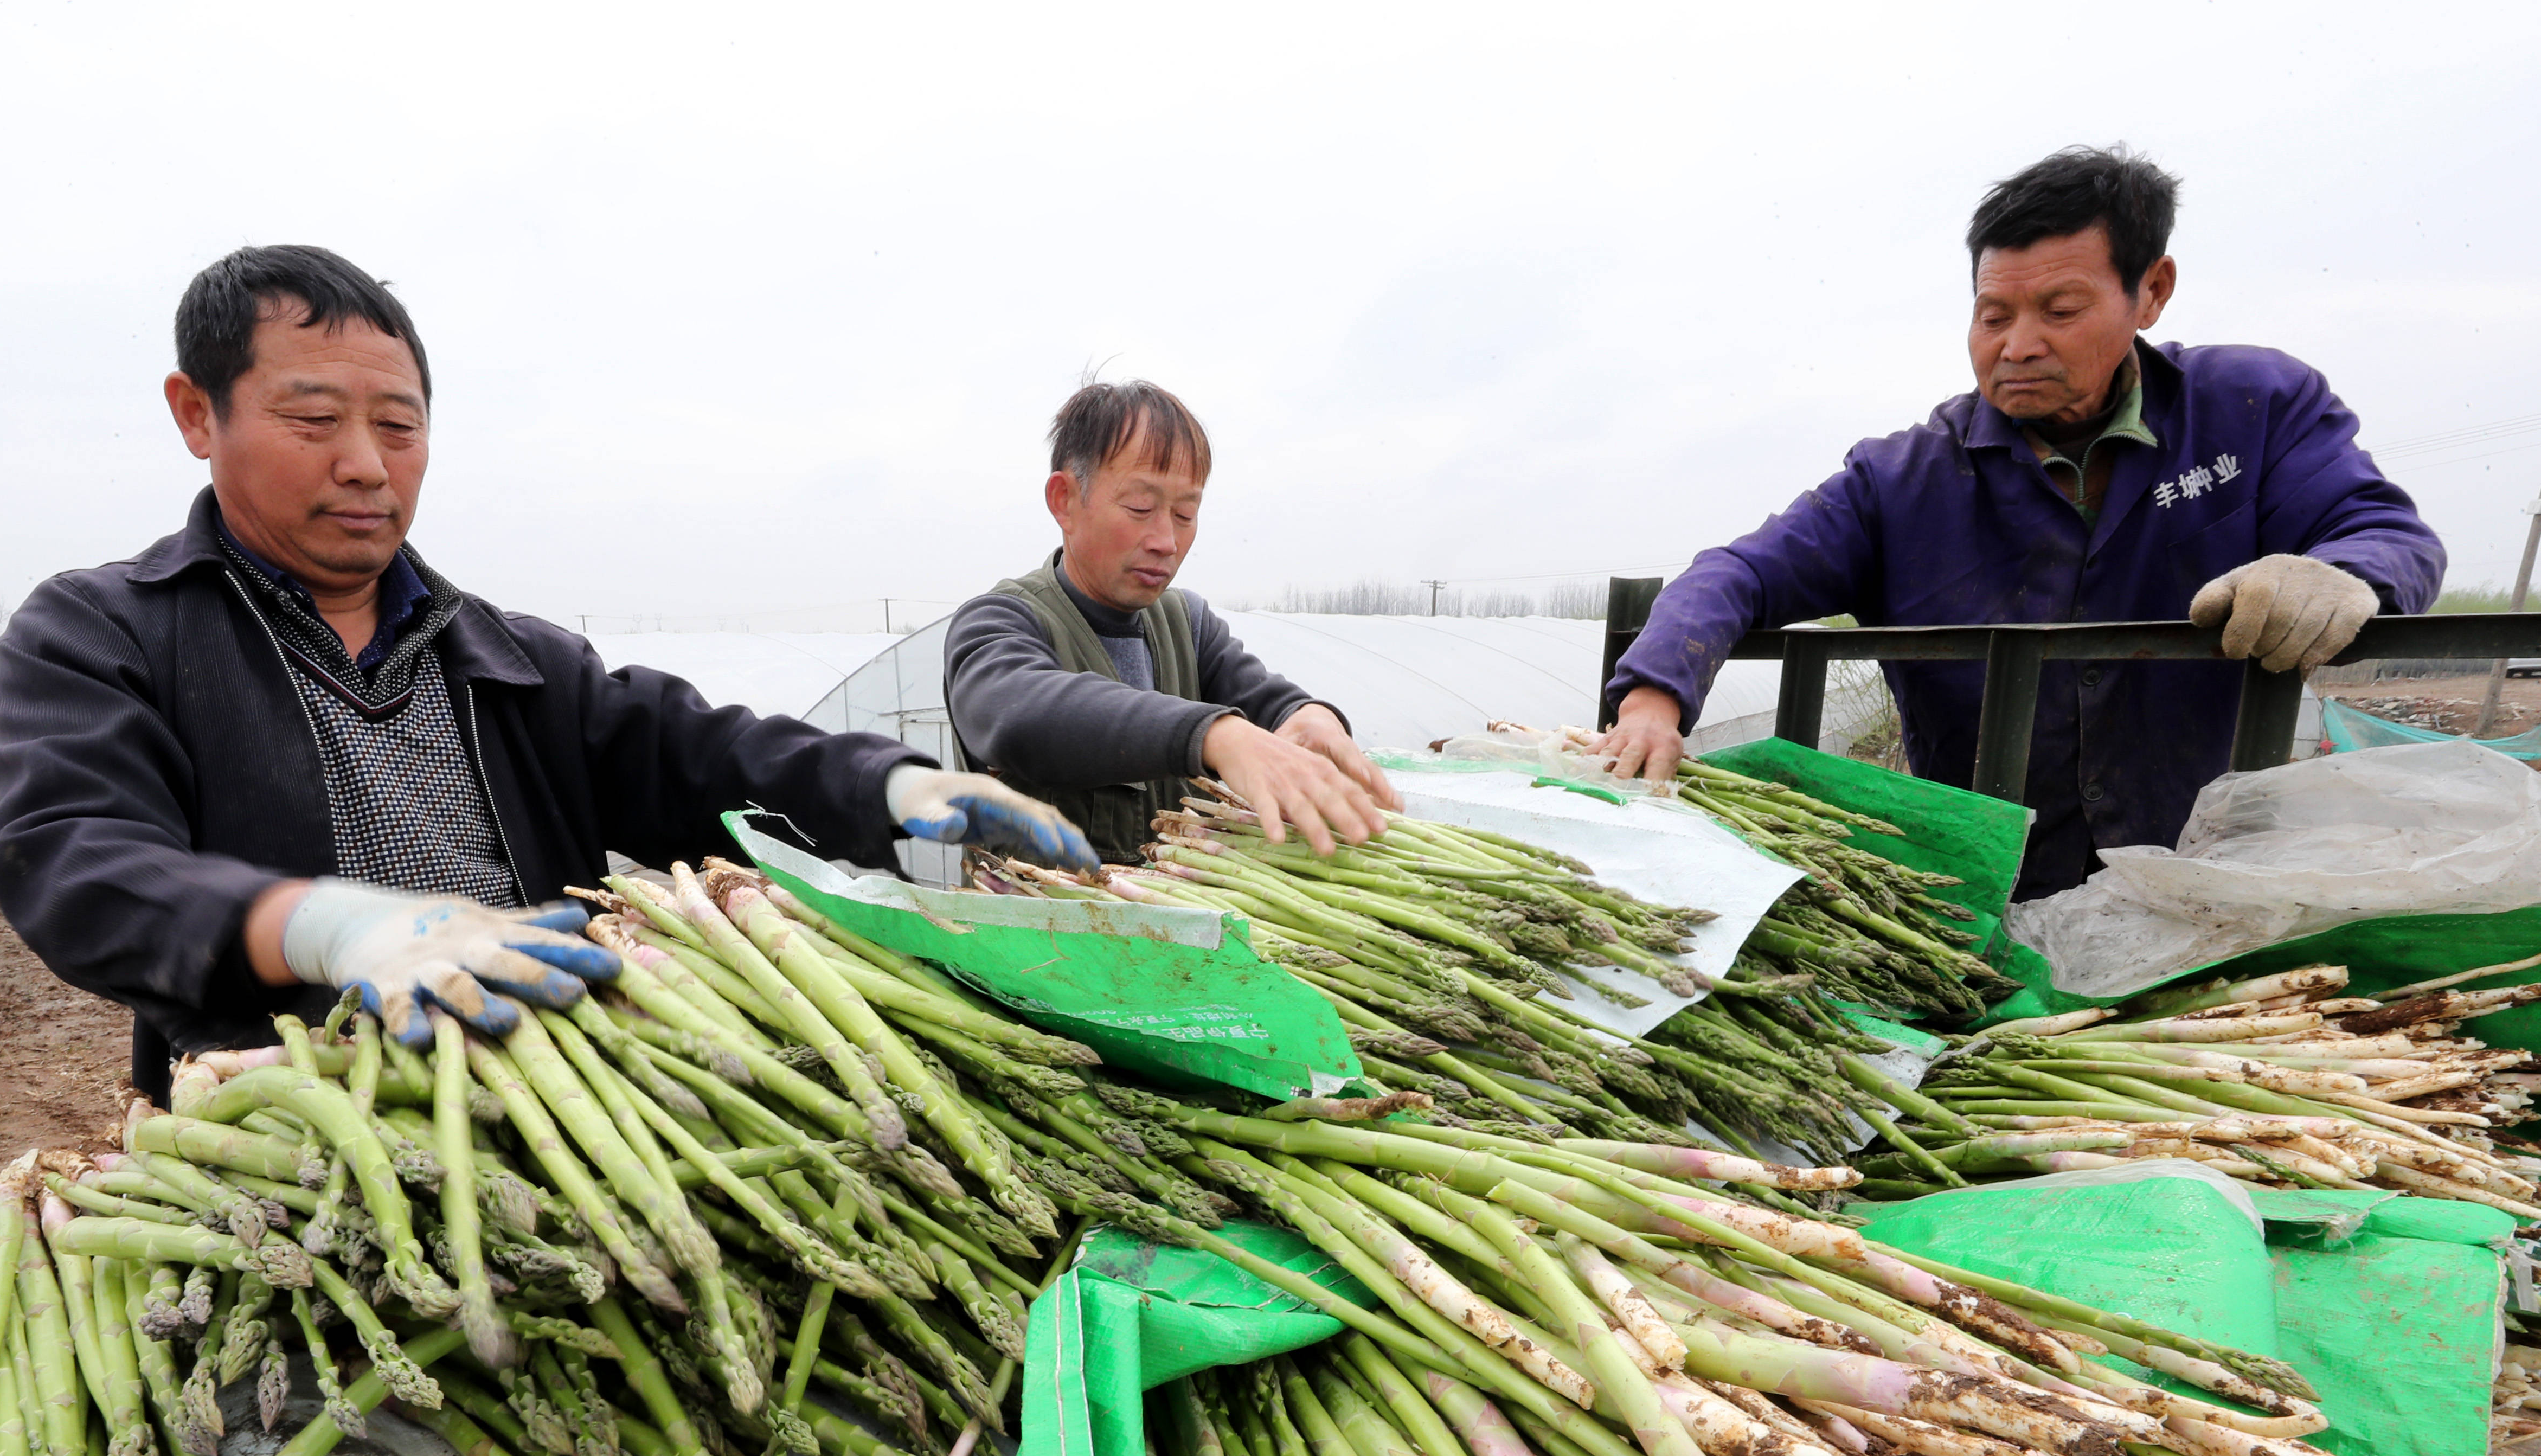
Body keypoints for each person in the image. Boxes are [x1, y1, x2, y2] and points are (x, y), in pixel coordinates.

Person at [0, 246, 1089, 1099]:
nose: (366, 464)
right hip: (289, 1142)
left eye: (399, 426)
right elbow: (69, 855)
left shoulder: (510, 660)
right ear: (195, 415)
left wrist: (898, 790)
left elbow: (700, 754)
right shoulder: (107, 633)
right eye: (314, 418)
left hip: (567, 1098)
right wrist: (328, 927)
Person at [1595, 145, 2444, 901]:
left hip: (2203, 871)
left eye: (2061, 310)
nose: (2018, 345)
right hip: (1984, 888)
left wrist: (2343, 575)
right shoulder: (1902, 479)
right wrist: (1654, 696)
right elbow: (1738, 573)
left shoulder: (2252, 410)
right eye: (1994, 315)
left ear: (2151, 290)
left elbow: (2384, 533)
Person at [942, 380, 1400, 865]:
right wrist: (1215, 736)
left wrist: (1308, 716)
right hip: (1036, 937)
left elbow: (1269, 703)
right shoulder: (998, 623)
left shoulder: (1189, 626)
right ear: (1065, 501)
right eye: (1141, 508)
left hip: (1179, 935)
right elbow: (1021, 718)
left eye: (1185, 513)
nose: (1167, 540)